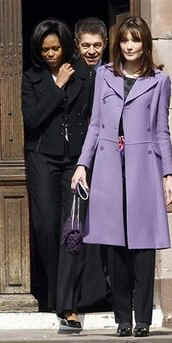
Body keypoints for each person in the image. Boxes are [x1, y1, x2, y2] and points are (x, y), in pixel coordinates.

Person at [71, 16, 172, 337]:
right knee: (114, 247)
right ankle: (122, 320)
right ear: (119, 43)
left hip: (144, 168)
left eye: (136, 40)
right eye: (126, 40)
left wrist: (169, 173)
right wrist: (82, 164)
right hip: (109, 169)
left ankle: (142, 319)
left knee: (143, 248)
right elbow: (96, 125)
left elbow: (161, 131)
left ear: (145, 44)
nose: (130, 46)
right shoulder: (105, 76)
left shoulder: (159, 81)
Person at [22, 17, 108, 331]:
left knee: (72, 230)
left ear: (64, 47)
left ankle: (68, 305)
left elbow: (93, 117)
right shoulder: (31, 78)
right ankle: (53, 294)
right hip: (43, 159)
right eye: (45, 50)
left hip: (75, 164)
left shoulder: (83, 75)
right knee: (46, 227)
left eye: (56, 48)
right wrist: (56, 87)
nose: (51, 54)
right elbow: (32, 120)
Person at [56, 17, 110, 330]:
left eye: (97, 45)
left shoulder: (114, 74)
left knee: (108, 232)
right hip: (77, 165)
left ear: (105, 45)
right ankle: (68, 307)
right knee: (73, 231)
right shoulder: (69, 73)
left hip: (110, 163)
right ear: (77, 44)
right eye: (86, 45)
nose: (91, 51)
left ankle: (109, 297)